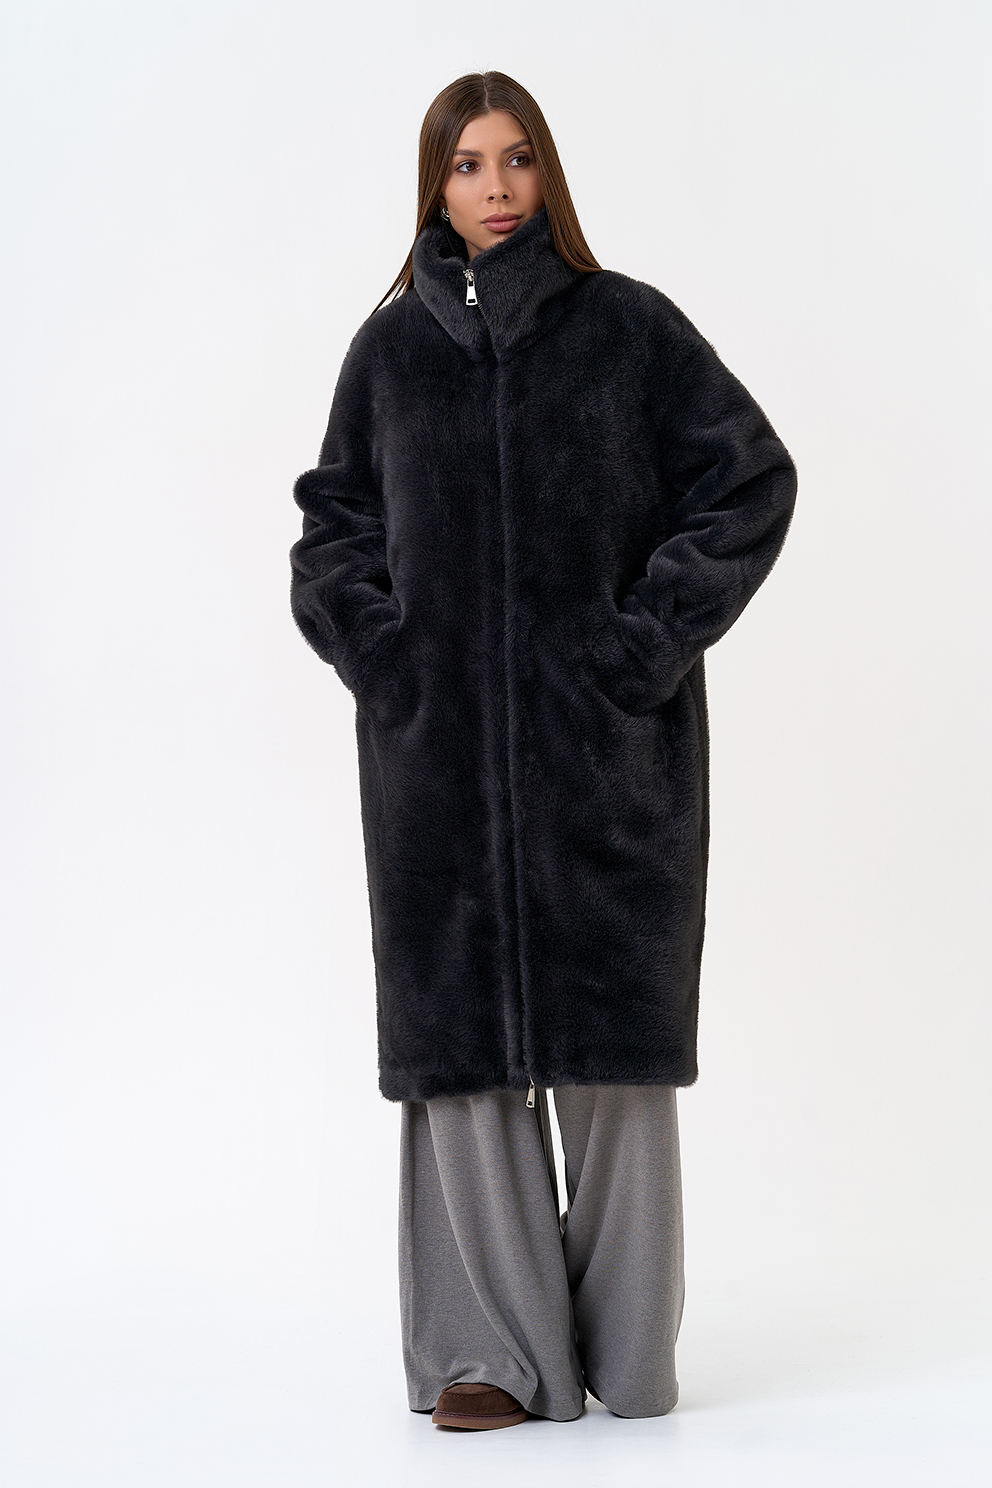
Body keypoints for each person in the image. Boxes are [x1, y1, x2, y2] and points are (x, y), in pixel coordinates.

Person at [289, 71, 798, 1430]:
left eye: (515, 159)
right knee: (462, 1063)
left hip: (611, 763)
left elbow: (749, 479)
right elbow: (332, 528)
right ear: (435, 185)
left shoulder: (629, 329)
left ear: (547, 172)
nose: (496, 187)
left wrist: (642, 648)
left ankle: (626, 1353)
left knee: (616, 1059)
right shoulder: (388, 355)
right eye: (467, 165)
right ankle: (491, 1356)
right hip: (437, 771)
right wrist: (386, 657)